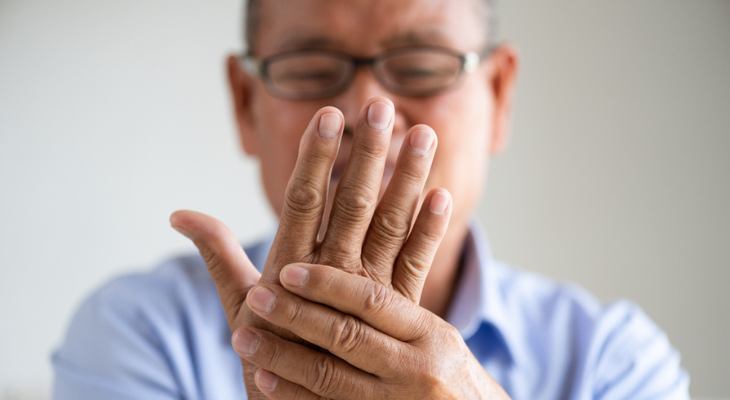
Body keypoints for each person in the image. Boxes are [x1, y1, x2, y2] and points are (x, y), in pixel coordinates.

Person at [52, 0, 690, 399]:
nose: (367, 110)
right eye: (310, 67)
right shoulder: (139, 332)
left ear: (499, 95)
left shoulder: (614, 361)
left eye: (419, 65)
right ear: (245, 104)